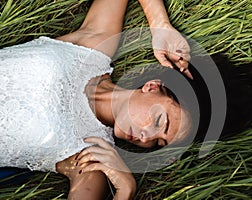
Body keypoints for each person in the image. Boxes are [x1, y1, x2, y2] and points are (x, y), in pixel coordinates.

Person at [0, 0, 194, 199]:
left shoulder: (91, 156)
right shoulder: (93, 48)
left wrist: (126, 190)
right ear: (152, 87)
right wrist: (160, 26)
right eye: (159, 121)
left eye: (158, 142)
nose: (146, 137)